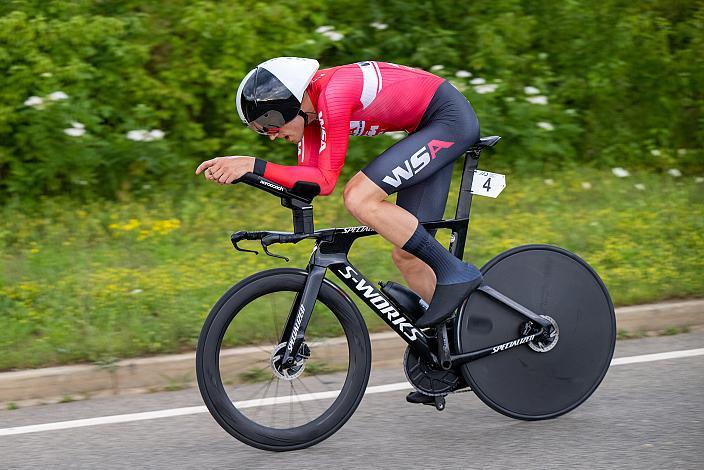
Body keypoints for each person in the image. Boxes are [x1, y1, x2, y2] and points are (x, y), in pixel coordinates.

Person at [195, 58, 483, 401]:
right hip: (426, 128)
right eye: (260, 129)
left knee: (359, 197)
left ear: (292, 100)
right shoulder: (311, 116)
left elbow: (326, 181)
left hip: (447, 120)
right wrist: (250, 175)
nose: (270, 134)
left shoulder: (333, 92)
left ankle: (455, 271)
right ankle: (455, 354)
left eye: (269, 121)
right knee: (407, 255)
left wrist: (252, 163)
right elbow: (306, 183)